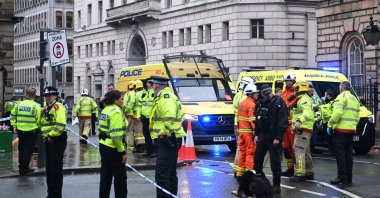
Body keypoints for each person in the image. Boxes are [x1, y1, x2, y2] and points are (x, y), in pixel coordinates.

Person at [149, 76, 186, 198]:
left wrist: (163, 132)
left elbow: (169, 116)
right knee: (169, 172)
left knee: (162, 174)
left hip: (167, 139)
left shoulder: (166, 98)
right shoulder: (165, 96)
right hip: (170, 138)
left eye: (152, 86)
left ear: (156, 86)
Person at [254, 84, 288, 194]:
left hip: (274, 136)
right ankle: (263, 182)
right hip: (263, 135)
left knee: (275, 162)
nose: (267, 96)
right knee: (257, 160)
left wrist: (278, 137)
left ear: (270, 92)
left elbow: (282, 122)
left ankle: (276, 185)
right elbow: (257, 120)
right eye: (264, 94)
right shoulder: (260, 103)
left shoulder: (278, 103)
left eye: (268, 94)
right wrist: (256, 134)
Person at [328, 81, 360, 185]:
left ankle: (342, 178)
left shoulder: (341, 97)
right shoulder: (354, 99)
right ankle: (349, 178)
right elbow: (357, 116)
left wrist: (330, 123)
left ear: (341, 88)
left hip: (340, 130)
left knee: (340, 155)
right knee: (348, 155)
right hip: (351, 130)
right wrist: (353, 125)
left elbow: (338, 112)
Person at [98, 90, 128, 198]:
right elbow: (116, 136)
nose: (123, 101)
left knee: (105, 177)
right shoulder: (116, 112)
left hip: (104, 145)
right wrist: (122, 152)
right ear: (116, 100)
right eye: (121, 99)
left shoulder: (106, 109)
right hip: (113, 148)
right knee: (120, 179)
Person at [40, 86, 67, 198]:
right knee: (50, 169)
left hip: (56, 139)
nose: (47, 98)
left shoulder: (58, 107)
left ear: (55, 96)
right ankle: (51, 193)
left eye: (50, 95)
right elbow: (41, 124)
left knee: (55, 169)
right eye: (46, 96)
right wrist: (41, 114)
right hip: (49, 140)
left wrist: (51, 135)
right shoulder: (47, 108)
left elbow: (60, 124)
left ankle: (56, 194)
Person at [10, 88, 41, 176]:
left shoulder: (19, 104)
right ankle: (24, 169)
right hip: (31, 131)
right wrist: (39, 128)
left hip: (20, 130)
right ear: (34, 95)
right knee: (28, 151)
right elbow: (38, 120)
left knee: (21, 149)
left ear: (26, 94)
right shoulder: (36, 106)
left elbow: (12, 115)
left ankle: (21, 167)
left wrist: (15, 125)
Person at [289, 81, 315, 182]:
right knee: (306, 151)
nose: (294, 90)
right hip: (305, 129)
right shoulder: (302, 99)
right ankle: (309, 172)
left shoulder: (304, 99)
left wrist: (300, 121)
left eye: (295, 88)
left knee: (298, 150)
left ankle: (299, 173)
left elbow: (307, 111)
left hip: (302, 129)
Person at [232, 76, 255, 176]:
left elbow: (236, 113)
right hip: (246, 128)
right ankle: (246, 171)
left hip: (240, 126)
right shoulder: (245, 98)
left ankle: (238, 170)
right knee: (247, 151)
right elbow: (249, 117)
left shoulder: (237, 95)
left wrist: (236, 126)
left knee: (241, 149)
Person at [236, 84, 259, 178]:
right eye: (256, 93)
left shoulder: (242, 103)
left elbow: (238, 118)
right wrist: (256, 132)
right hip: (249, 133)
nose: (258, 95)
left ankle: (240, 173)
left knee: (242, 152)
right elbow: (252, 120)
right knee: (250, 153)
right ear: (251, 94)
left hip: (242, 132)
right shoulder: (251, 104)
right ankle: (249, 174)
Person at [281, 72, 297, 177]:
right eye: (287, 81)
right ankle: (290, 168)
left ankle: (297, 168)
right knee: (286, 148)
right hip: (284, 124)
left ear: (293, 81)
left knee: (294, 147)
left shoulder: (296, 93)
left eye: (290, 81)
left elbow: (292, 106)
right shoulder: (283, 93)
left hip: (293, 124)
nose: (288, 83)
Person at [141, 78, 156, 157]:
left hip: (151, 117)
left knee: (152, 134)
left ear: (150, 84)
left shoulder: (154, 93)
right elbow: (142, 104)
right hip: (144, 116)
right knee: (146, 134)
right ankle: (148, 150)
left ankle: (154, 151)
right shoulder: (145, 92)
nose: (146, 84)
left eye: (147, 83)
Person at [320, 89, 336, 155]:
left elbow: (333, 113)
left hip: (330, 123)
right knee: (328, 138)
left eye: (325, 95)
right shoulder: (328, 102)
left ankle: (332, 151)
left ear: (328, 96)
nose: (324, 96)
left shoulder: (333, 103)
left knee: (331, 138)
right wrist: (322, 120)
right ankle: (331, 150)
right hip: (326, 123)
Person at [131, 80, 145, 153]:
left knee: (138, 132)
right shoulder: (145, 92)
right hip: (145, 115)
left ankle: (140, 147)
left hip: (137, 116)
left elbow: (132, 104)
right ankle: (144, 146)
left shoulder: (135, 94)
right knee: (143, 131)